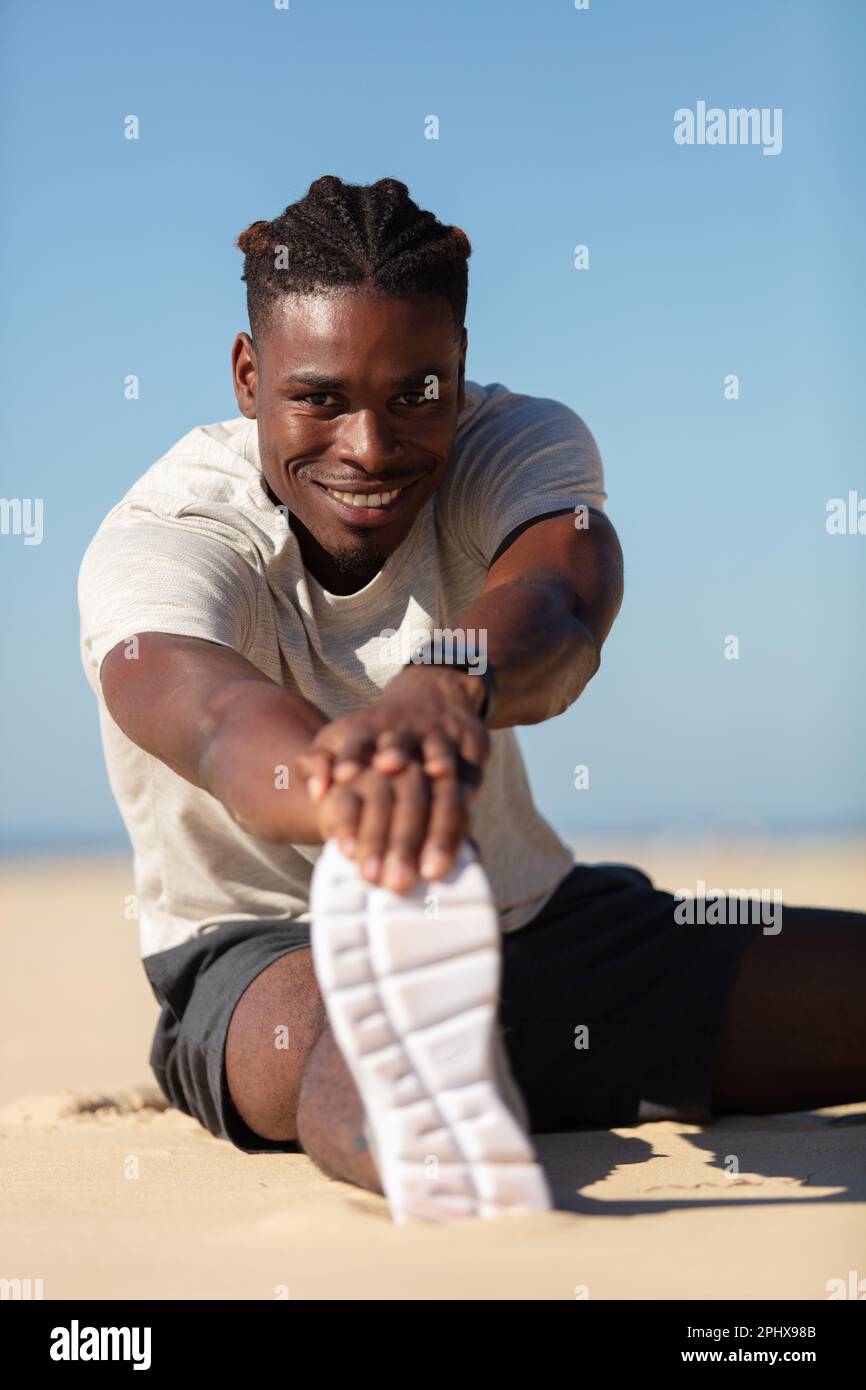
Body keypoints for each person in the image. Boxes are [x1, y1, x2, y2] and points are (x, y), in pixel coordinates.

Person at [78, 175, 866, 1222]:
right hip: (270, 952)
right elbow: (215, 720)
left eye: (417, 392)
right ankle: (439, 1145)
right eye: (318, 397)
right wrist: (349, 789)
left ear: (459, 365)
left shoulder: (517, 443)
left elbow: (559, 603)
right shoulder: (167, 532)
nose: (369, 446)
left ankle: (487, 1065)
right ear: (247, 373)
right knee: (343, 1033)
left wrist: (443, 684)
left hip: (535, 924)